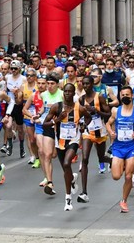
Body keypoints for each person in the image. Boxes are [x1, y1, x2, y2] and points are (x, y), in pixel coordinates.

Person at [43, 83, 91, 211]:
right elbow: (45, 124)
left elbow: (89, 117)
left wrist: (83, 126)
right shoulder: (56, 107)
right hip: (60, 142)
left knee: (66, 163)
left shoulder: (79, 108)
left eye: (70, 91)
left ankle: (68, 198)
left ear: (74, 93)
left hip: (73, 140)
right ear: (63, 93)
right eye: (65, 91)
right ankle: (73, 179)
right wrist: (57, 119)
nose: (68, 94)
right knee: (66, 170)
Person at [106, 86, 134, 213]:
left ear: (132, 96)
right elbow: (108, 124)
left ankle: (124, 201)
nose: (125, 97)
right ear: (120, 96)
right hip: (118, 146)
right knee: (116, 176)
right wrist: (111, 132)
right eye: (123, 95)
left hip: (132, 147)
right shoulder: (115, 111)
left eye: (127, 95)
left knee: (129, 177)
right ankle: (122, 164)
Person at [78, 75, 112, 203]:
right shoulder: (81, 99)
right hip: (87, 132)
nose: (85, 86)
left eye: (87, 84)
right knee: (85, 159)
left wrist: (96, 110)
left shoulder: (100, 97)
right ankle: (84, 192)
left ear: (92, 84)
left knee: (101, 158)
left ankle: (113, 161)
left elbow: (108, 114)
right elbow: (81, 116)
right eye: (83, 83)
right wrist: (81, 126)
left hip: (100, 132)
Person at [40, 72, 63, 195]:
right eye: (48, 83)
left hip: (60, 128)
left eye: (52, 84)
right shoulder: (43, 95)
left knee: (54, 155)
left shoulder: (63, 95)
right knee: (47, 154)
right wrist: (38, 115)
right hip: (48, 127)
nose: (49, 86)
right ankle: (49, 182)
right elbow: (43, 109)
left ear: (57, 84)